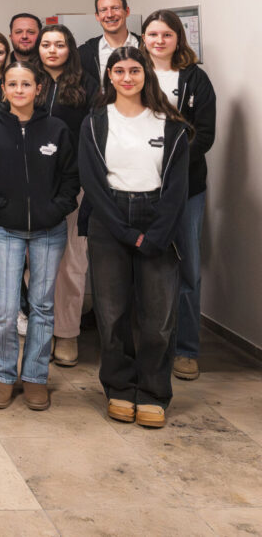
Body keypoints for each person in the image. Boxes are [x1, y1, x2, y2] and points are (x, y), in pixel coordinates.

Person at [79, 46, 190, 429]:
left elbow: (177, 189)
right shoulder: (95, 122)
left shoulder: (170, 125)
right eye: (119, 71)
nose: (127, 78)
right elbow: (92, 183)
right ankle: (120, 388)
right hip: (109, 220)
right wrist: (124, 231)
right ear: (109, 76)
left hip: (158, 220)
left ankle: (154, 392)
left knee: (158, 318)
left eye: (134, 71)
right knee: (112, 315)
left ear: (146, 75)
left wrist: (154, 236)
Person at [0, 61, 79, 410]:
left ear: (38, 89)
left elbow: (71, 178)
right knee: (4, 309)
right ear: (4, 89)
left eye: (26, 84)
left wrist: (55, 210)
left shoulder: (56, 129)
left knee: (42, 306)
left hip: (49, 230)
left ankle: (35, 376)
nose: (19, 90)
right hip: (6, 229)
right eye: (12, 84)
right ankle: (2, 375)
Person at [141, 9, 216, 381]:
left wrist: (173, 166)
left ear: (177, 39)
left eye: (166, 34)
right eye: (153, 34)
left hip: (186, 187)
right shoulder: (132, 72)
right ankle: (147, 345)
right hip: (140, 189)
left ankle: (186, 349)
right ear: (143, 38)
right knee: (143, 266)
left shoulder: (195, 79)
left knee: (187, 267)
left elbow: (205, 135)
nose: (159, 41)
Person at [33, 25, 100, 366]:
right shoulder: (27, 79)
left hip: (73, 183)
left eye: (59, 44)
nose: (52, 50)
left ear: (70, 49)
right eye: (46, 44)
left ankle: (67, 333)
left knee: (72, 261)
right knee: (35, 262)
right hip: (30, 183)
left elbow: (96, 134)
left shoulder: (88, 84)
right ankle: (41, 330)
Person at [78, 0, 141, 84]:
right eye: (103, 10)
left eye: (115, 8)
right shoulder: (84, 53)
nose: (110, 15)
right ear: (97, 16)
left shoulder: (146, 48)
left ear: (127, 11)